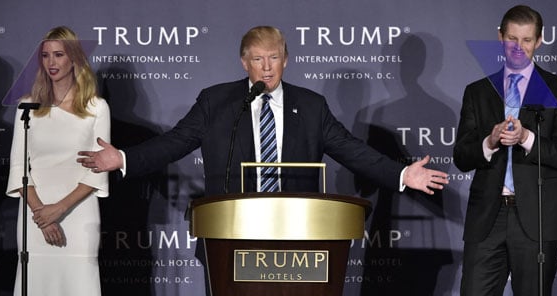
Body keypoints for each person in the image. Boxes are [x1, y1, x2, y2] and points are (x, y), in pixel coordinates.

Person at [78, 25, 447, 195]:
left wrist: (402, 175)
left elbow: (353, 151)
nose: (266, 68)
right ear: (244, 63)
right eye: (258, 59)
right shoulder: (217, 101)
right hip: (229, 229)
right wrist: (124, 158)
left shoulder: (311, 106)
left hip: (297, 234)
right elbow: (174, 142)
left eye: (273, 58)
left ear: (286, 60)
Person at [454, 5, 557, 296]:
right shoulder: (478, 91)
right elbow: (461, 156)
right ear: (499, 38)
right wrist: (489, 141)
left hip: (537, 220)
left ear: (539, 41)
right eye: (511, 39)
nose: (518, 48)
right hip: (487, 221)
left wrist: (526, 138)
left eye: (526, 40)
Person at [6, 26, 110, 296]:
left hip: (78, 220)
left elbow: (97, 169)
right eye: (46, 55)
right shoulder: (27, 107)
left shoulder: (96, 107)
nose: (52, 62)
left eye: (59, 54)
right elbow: (18, 167)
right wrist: (41, 213)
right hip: (35, 220)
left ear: (74, 58)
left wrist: (59, 209)